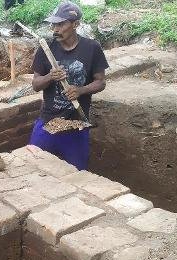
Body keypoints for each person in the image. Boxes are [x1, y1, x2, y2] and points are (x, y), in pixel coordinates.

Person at [29, 1, 108, 170]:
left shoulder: (92, 48)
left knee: (77, 175)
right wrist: (50, 76)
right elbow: (36, 84)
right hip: (48, 122)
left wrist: (81, 90)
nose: (56, 29)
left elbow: (101, 82)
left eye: (61, 24)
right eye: (53, 24)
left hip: (77, 125)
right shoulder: (46, 49)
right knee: (33, 167)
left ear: (75, 24)